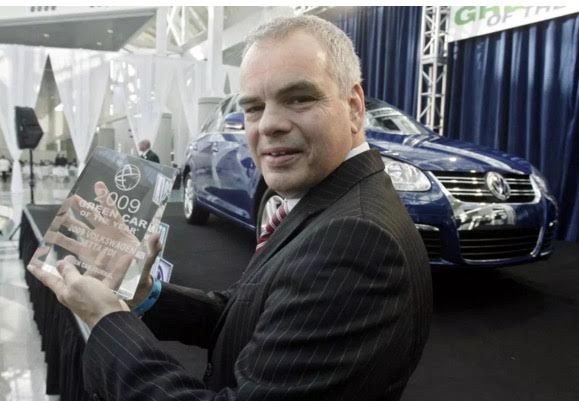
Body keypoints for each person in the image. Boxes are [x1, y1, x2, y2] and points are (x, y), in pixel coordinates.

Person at [28, 15, 433, 401]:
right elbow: (246, 314)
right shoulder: (326, 204)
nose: (268, 124)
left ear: (355, 106)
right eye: (253, 107)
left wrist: (106, 321)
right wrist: (145, 294)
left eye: (299, 98)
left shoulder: (356, 239)